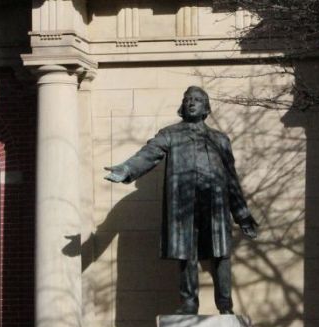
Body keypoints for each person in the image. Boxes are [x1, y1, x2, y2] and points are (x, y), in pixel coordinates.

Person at [104, 86, 258, 315]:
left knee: (221, 253)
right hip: (184, 205)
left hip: (215, 204)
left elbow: (231, 178)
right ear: (182, 106)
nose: (191, 103)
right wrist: (126, 169)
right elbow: (148, 153)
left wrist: (242, 215)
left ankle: (225, 304)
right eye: (187, 100)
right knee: (187, 253)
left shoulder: (220, 139)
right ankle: (189, 303)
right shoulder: (170, 134)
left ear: (206, 108)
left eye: (197, 100)